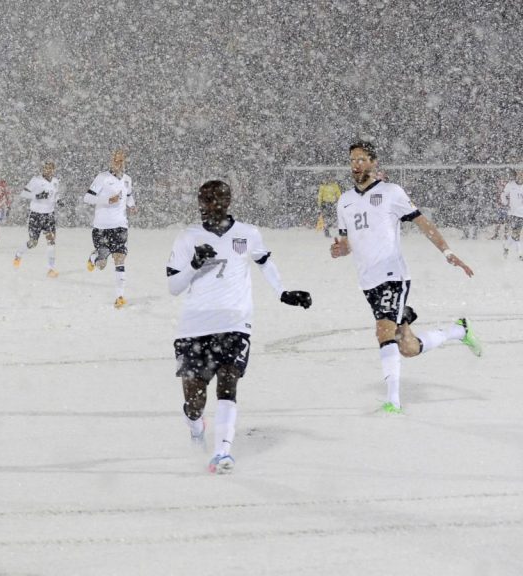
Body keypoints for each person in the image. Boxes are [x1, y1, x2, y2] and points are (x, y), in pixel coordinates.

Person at [167, 180, 312, 474]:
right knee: (194, 401)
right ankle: (196, 428)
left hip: (234, 322)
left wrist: (282, 292)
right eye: (204, 198)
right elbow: (173, 287)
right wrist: (194, 264)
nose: (209, 204)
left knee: (228, 380)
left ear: (228, 201)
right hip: (194, 326)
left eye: (215, 198)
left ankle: (222, 452)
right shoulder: (187, 237)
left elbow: (264, 262)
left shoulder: (248, 233)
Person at [330, 141, 481, 414]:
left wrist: (447, 252)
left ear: (373, 162)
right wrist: (340, 249)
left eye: (362, 159)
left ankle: (393, 402)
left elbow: (423, 222)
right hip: (368, 280)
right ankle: (459, 330)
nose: (356, 165)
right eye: (352, 160)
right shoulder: (344, 201)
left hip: (393, 275)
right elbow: (347, 242)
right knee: (407, 347)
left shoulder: (391, 192)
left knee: (383, 331)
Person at [84, 149, 135, 308]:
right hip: (102, 227)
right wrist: (107, 200)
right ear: (111, 162)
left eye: (121, 160)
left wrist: (132, 205)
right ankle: (94, 257)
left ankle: (120, 297)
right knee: (102, 264)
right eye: (116, 160)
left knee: (120, 258)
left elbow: (128, 196)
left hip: (120, 226)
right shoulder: (102, 178)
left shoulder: (127, 179)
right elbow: (88, 198)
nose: (118, 163)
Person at [13, 160, 61, 277]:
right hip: (36, 215)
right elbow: (24, 193)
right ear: (42, 169)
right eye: (46, 168)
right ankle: (18, 254)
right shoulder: (36, 180)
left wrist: (58, 200)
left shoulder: (55, 181)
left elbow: (55, 194)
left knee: (51, 240)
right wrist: (37, 196)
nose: (48, 170)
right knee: (33, 243)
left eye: (50, 168)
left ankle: (50, 269)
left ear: (53, 170)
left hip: (49, 215)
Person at [499, 169, 523, 259]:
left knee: (515, 235)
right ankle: (520, 254)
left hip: (522, 214)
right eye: (519, 174)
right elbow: (503, 194)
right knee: (516, 234)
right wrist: (505, 203)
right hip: (512, 213)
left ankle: (506, 248)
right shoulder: (510, 185)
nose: (520, 176)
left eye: (522, 175)